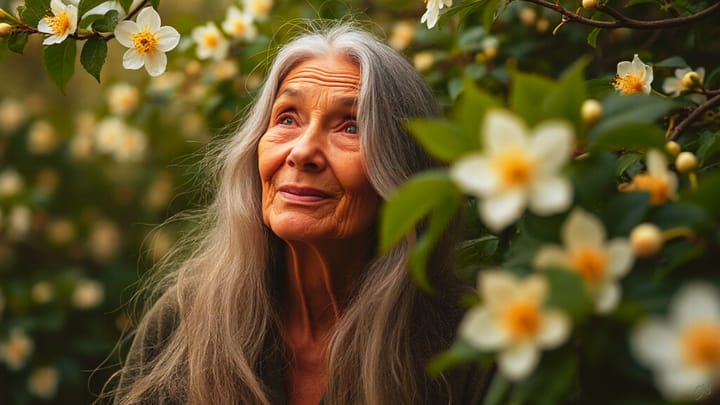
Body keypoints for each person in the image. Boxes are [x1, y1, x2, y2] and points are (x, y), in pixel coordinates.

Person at [111, 22, 490, 405]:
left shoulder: (467, 342)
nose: (302, 152)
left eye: (350, 127)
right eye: (287, 118)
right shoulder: (185, 320)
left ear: (404, 174)